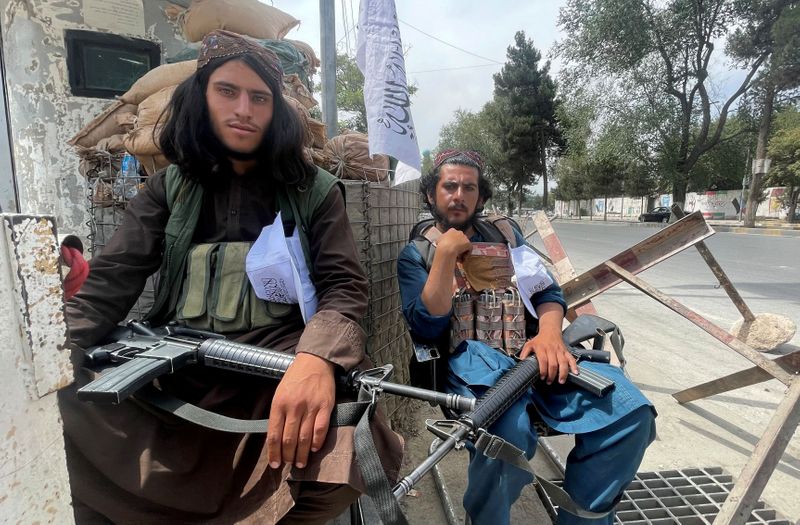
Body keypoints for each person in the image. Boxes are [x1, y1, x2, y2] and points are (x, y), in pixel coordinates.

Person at [58, 30, 403, 524]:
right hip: (178, 368)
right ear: (201, 98)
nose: (244, 108)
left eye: (259, 97)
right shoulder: (166, 189)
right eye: (227, 91)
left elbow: (344, 288)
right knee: (64, 397)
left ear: (275, 109)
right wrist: (49, 354)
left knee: (347, 437)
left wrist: (316, 361)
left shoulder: (316, 190)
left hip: (276, 368)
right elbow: (111, 280)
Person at [397, 149, 657, 525]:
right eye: (449, 186)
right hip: (472, 370)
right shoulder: (416, 254)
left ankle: (583, 517)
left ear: (481, 197)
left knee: (629, 413)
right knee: (508, 435)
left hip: (534, 356)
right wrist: (444, 258)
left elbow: (547, 292)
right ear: (431, 195)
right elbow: (426, 327)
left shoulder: (506, 234)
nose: (458, 195)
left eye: (469, 187)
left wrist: (551, 333)